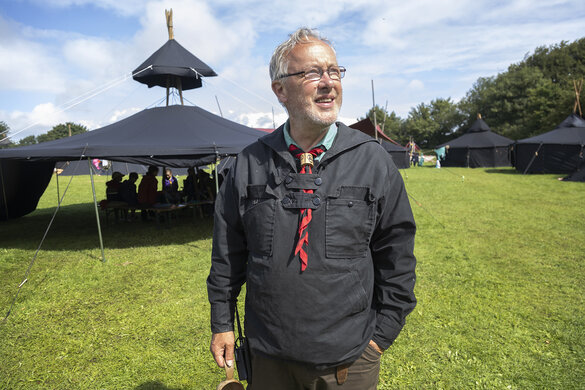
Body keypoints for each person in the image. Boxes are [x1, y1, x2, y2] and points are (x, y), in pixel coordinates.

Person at [207, 28, 417, 389]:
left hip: (348, 357)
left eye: (334, 72)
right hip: (267, 355)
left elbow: (397, 257)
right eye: (312, 73)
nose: (328, 83)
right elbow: (227, 254)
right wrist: (222, 322)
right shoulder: (249, 163)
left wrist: (379, 339)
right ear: (280, 90)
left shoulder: (373, 161)